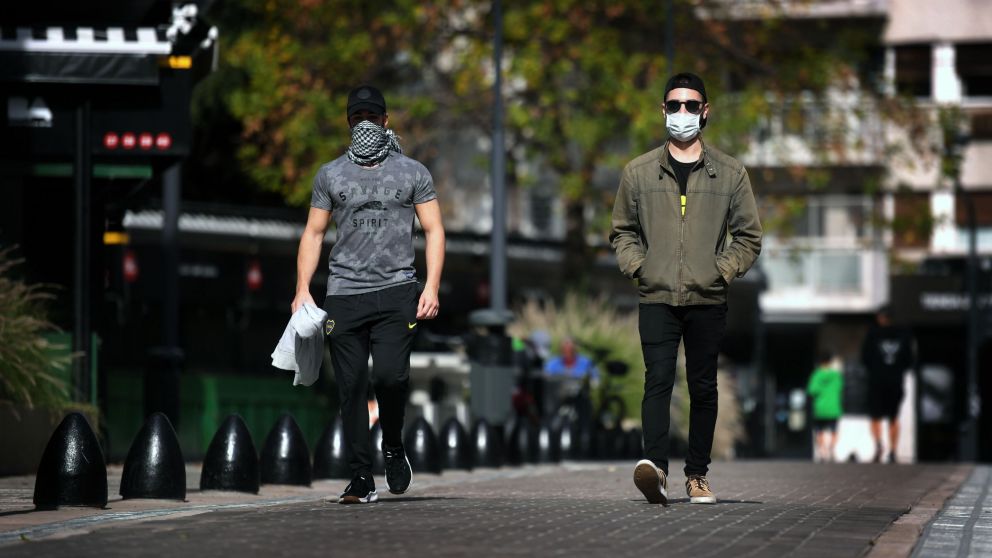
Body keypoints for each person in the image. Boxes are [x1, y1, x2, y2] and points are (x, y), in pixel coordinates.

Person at [610, 72, 762, 505]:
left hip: (707, 298)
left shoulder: (730, 173)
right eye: (675, 105)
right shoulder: (638, 172)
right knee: (657, 380)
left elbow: (749, 236)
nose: (683, 113)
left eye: (691, 105)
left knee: (703, 387)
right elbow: (622, 231)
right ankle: (656, 469)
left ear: (705, 111)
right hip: (656, 295)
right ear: (663, 110)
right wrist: (640, 267)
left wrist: (720, 272)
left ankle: (697, 475)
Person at [292, 85, 445, 504]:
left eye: (372, 118)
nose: (365, 125)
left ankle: (392, 444)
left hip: (397, 292)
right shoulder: (330, 175)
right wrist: (302, 289)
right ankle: (360, 476)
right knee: (351, 386)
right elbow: (314, 233)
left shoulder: (413, 172)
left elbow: (434, 229)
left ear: (385, 121)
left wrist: (431, 286)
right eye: (357, 118)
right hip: (344, 294)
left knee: (390, 377)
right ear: (348, 123)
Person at [860, 306, 915, 464]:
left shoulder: (872, 333)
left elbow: (864, 358)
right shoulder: (904, 334)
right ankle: (893, 450)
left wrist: (875, 369)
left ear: (880, 318)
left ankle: (878, 444)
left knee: (875, 416)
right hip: (895, 381)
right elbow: (909, 360)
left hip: (876, 380)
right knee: (894, 416)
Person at [807, 352, 843, 463]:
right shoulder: (836, 376)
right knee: (834, 430)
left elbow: (812, 390)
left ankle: (822, 452)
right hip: (834, 407)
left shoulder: (816, 375)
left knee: (819, 431)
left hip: (820, 408)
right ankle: (831, 449)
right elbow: (840, 388)